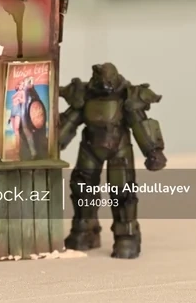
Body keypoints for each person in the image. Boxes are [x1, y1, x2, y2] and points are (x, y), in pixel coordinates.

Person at [59, 63, 167, 259]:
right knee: (82, 188)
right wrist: (54, 142)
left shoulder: (127, 96)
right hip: (90, 147)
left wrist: (153, 151)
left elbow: (141, 124)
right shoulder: (85, 95)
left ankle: (127, 235)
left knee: (122, 193)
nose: (104, 85)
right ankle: (84, 229)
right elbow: (70, 120)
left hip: (119, 149)